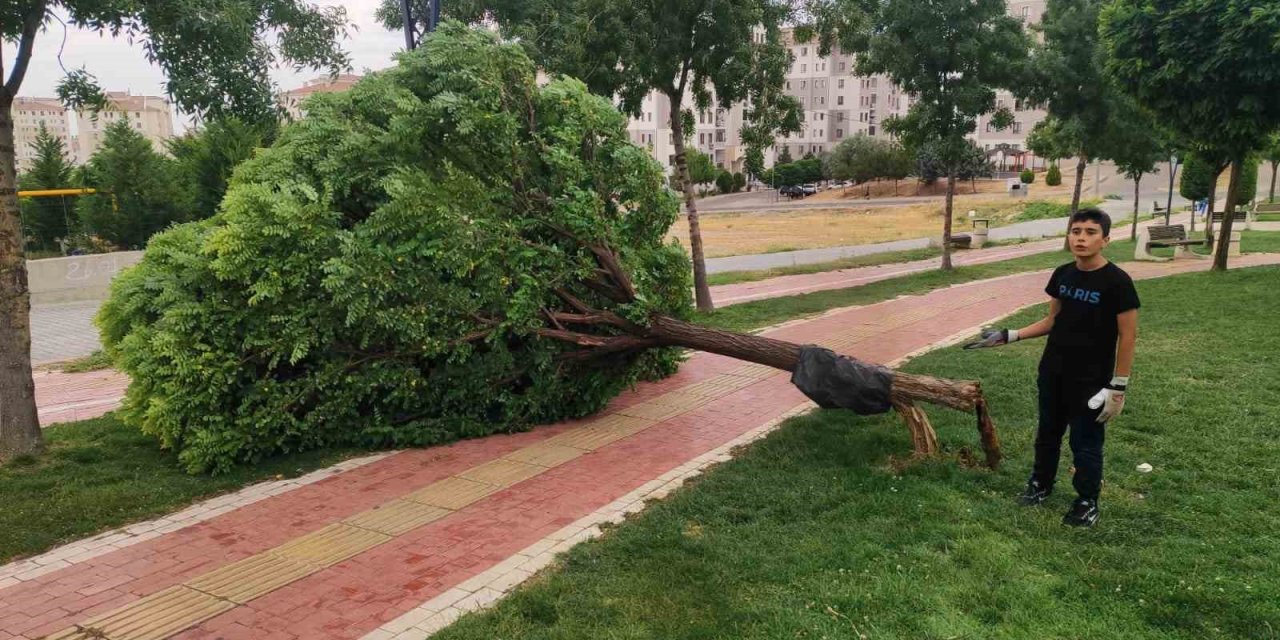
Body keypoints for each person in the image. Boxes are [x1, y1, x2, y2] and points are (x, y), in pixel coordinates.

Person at [965, 208, 1140, 527]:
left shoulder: (1117, 282)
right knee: (1047, 434)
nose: (1081, 238)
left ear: (1106, 240)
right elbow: (1053, 320)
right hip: (1053, 371)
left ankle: (1087, 501)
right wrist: (1010, 335)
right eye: (1076, 231)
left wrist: (1119, 386)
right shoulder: (1062, 274)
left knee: (1085, 443)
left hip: (1092, 380)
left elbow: (1128, 336)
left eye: (1090, 232)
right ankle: (1039, 485)